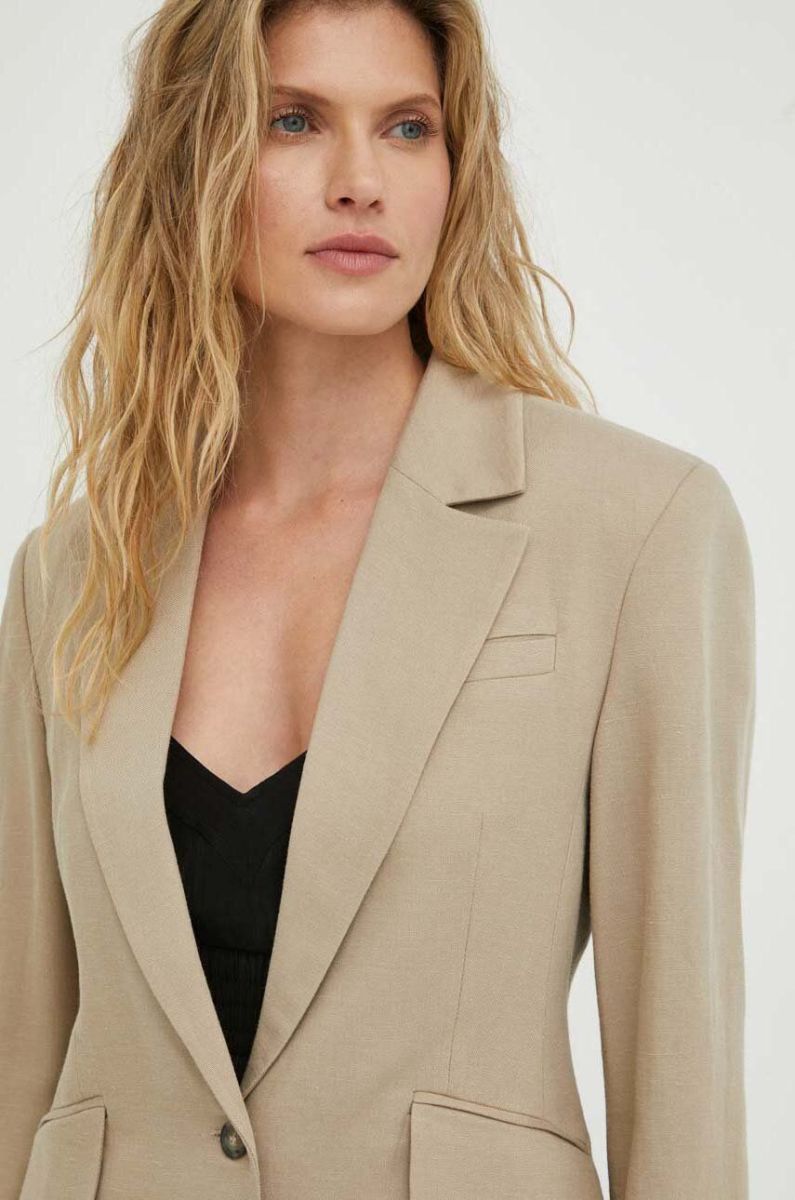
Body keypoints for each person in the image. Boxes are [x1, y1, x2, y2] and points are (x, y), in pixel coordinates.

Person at [0, 1, 756, 1198]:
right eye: (294, 121)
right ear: (192, 161)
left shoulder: (632, 530)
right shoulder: (73, 574)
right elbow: (25, 1064)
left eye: (408, 129)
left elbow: (683, 1076)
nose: (361, 181)